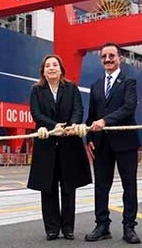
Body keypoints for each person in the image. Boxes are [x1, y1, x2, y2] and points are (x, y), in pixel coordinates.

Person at [27, 54, 92, 241]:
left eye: (55, 65)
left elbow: (78, 109)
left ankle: (68, 228)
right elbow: (36, 113)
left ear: (61, 69)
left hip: (69, 144)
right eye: (48, 66)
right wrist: (53, 127)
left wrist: (71, 125)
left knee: (68, 188)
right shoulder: (37, 90)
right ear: (43, 71)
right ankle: (52, 228)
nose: (52, 68)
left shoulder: (71, 88)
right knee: (48, 189)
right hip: (46, 145)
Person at [84, 43, 141, 244]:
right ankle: (102, 225)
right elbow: (91, 116)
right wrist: (88, 139)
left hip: (126, 142)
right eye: (104, 57)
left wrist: (105, 121)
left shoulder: (129, 82)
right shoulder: (96, 85)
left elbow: (129, 107)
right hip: (101, 144)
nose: (108, 59)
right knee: (101, 186)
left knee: (129, 186)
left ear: (120, 58)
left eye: (111, 56)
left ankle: (129, 227)